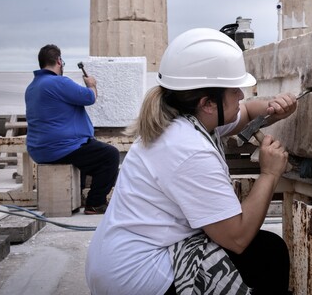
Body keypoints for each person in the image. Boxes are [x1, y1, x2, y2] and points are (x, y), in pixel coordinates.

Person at [85, 28, 297, 294]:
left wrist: (272, 110)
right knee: (267, 255)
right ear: (208, 103)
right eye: (235, 90)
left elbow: (245, 112)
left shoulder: (184, 119)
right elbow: (238, 237)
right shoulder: (189, 149)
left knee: (264, 248)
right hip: (137, 277)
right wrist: (269, 174)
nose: (242, 96)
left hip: (117, 262)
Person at [25, 44, 120, 215]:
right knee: (110, 155)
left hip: (39, 149)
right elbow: (89, 97)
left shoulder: (32, 87)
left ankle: (78, 195)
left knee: (87, 155)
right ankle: (95, 203)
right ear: (59, 61)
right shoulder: (58, 82)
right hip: (61, 148)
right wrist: (91, 85)